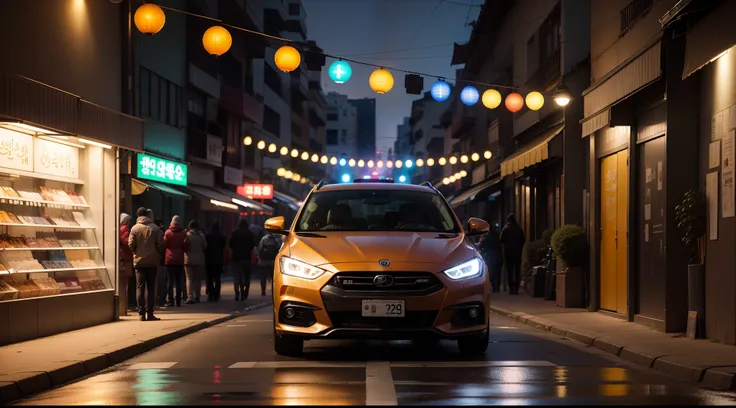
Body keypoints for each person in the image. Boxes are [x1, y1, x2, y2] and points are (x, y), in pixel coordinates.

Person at [128, 207, 164, 321]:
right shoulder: (156, 229)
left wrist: (136, 251)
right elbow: (161, 244)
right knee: (151, 288)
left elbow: (130, 244)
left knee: (140, 287)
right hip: (152, 262)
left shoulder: (134, 228)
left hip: (139, 262)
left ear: (138, 215)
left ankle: (141, 314)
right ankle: (150, 313)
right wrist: (156, 252)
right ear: (148, 215)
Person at [230, 218, 255, 301]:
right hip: (246, 257)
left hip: (236, 257)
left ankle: (237, 291)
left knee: (237, 275)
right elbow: (252, 245)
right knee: (247, 276)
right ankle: (245, 290)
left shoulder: (234, 233)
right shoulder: (249, 233)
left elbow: (231, 244)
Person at [163, 215, 186, 307]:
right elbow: (185, 246)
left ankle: (170, 300)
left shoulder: (168, 232)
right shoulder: (183, 233)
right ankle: (178, 300)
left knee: (170, 281)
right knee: (179, 281)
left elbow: (164, 245)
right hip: (180, 259)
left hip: (170, 259)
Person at [500, 213, 526, 295]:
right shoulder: (518, 228)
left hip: (508, 252)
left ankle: (511, 288)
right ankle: (517, 287)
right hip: (517, 252)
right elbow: (523, 240)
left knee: (509, 270)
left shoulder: (505, 229)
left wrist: (507, 245)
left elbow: (501, 240)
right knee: (517, 270)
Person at [184, 220, 207, 304]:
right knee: (198, 279)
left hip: (188, 259)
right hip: (199, 260)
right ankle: (197, 296)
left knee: (189, 279)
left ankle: (190, 297)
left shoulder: (187, 235)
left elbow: (184, 246)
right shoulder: (201, 235)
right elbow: (205, 246)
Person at [205, 222, 227, 301]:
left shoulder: (208, 236)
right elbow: (224, 248)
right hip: (219, 260)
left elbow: (205, 247)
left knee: (209, 278)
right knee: (217, 278)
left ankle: (210, 294)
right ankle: (217, 294)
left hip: (209, 260)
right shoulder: (221, 236)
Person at [478, 224, 503, 292]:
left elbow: (480, 246)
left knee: (490, 271)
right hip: (497, 255)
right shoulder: (498, 236)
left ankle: (493, 286)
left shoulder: (486, 236)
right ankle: (497, 287)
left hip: (489, 256)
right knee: (497, 272)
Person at [257, 232, 282, 296]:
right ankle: (273, 290)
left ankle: (263, 290)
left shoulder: (263, 239)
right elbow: (279, 249)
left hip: (263, 261)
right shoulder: (276, 240)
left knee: (263, 276)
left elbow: (259, 249)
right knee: (273, 277)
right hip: (272, 261)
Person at [119, 213, 134, 314]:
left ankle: (124, 306)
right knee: (126, 283)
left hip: (123, 256)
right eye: (128, 220)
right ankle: (125, 305)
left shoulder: (120, 228)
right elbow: (127, 242)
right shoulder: (125, 229)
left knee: (124, 282)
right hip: (126, 257)